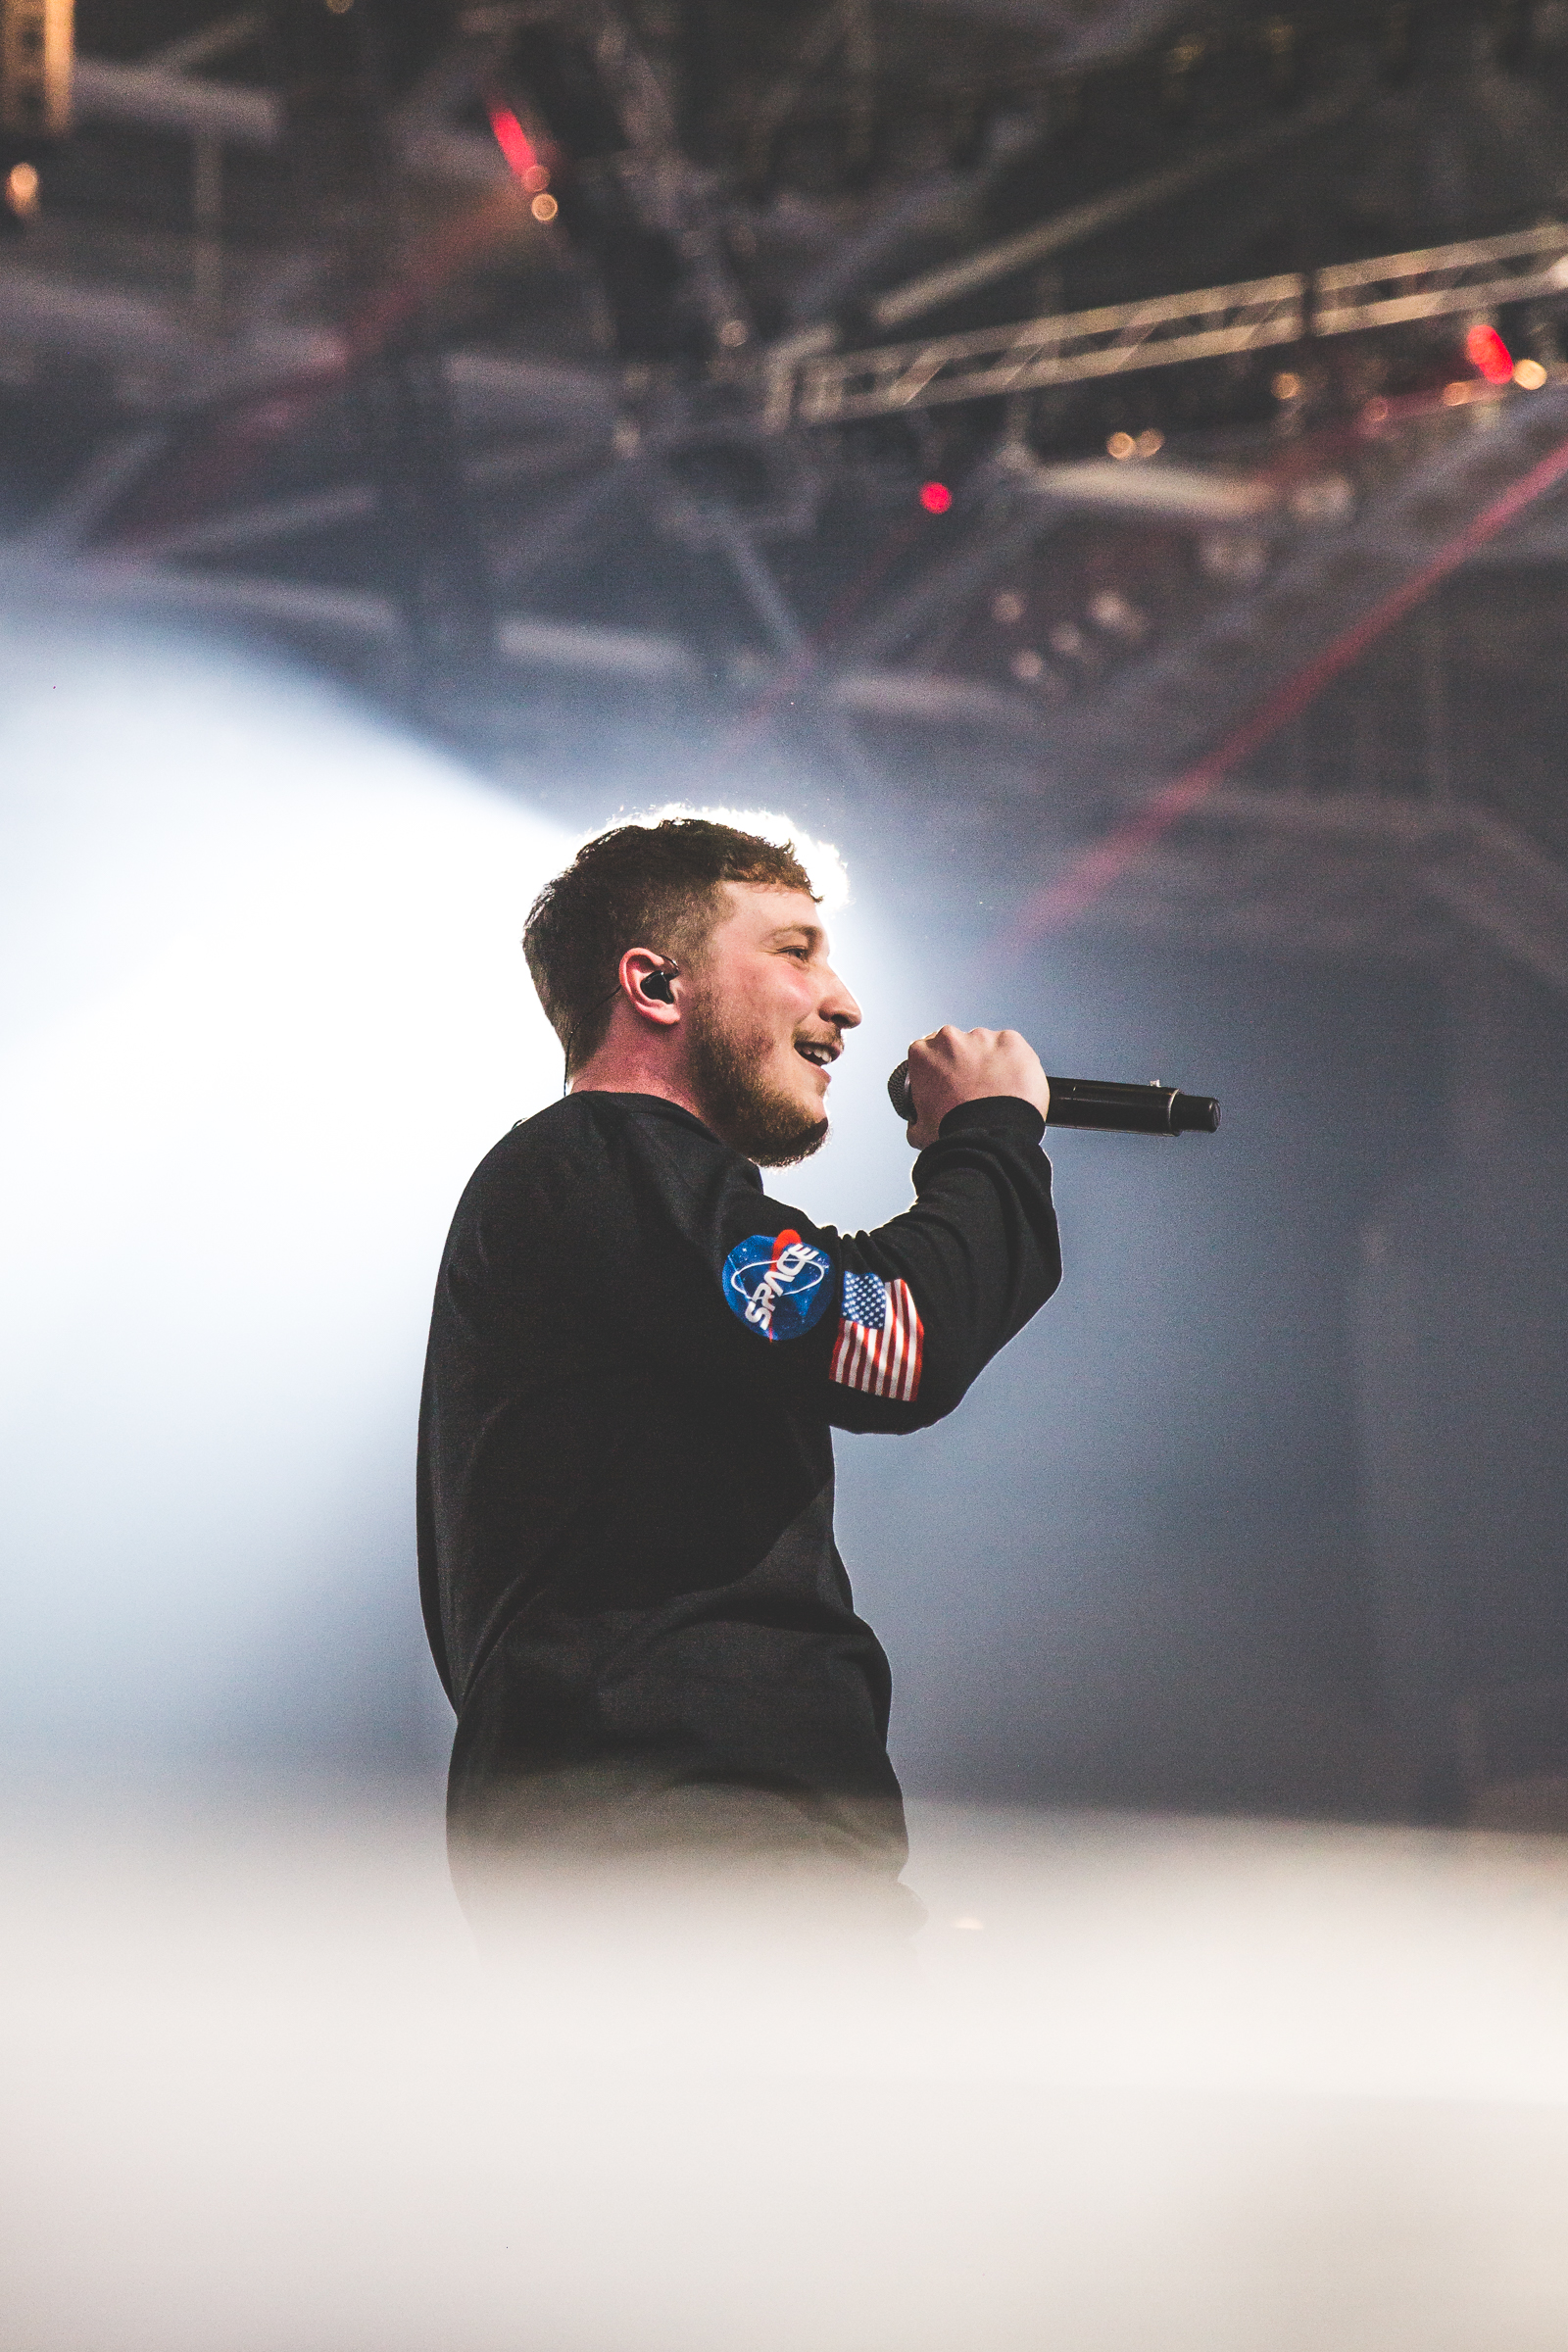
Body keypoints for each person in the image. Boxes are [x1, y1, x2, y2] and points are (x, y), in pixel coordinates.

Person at [417, 817, 1061, 1924]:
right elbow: (897, 1338)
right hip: (688, 1846)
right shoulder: (602, 1161)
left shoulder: (612, 1203)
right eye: (794, 951)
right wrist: (990, 1135)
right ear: (655, 985)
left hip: (684, 1845)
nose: (846, 1004)